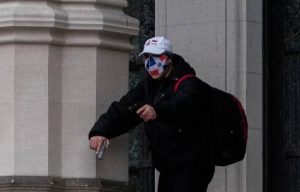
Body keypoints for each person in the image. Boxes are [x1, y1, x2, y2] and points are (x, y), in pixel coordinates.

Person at [89, 36, 215, 192]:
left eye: (155, 57)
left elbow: (182, 105)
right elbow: (124, 108)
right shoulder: (149, 86)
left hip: (192, 162)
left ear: (168, 58)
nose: (150, 62)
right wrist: (100, 131)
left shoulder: (189, 83)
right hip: (169, 164)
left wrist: (158, 111)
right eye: (147, 57)